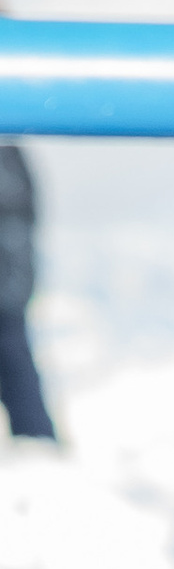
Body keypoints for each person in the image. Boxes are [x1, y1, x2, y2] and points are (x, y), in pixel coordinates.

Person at [0, 135, 60, 444]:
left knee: (15, 363)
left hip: (7, 284)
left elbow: (21, 211)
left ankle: (37, 441)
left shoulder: (7, 151)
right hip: (12, 279)